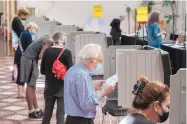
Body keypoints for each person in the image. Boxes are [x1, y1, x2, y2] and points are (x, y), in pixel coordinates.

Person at [64, 43, 115, 124]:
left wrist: (92, 87)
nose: (99, 64)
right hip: (81, 120)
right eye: (99, 60)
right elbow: (87, 104)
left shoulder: (73, 70)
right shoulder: (82, 75)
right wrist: (104, 92)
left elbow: (77, 93)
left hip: (73, 118)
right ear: (91, 60)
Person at [41, 32, 73, 124]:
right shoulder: (67, 52)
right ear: (64, 40)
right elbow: (71, 72)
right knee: (60, 115)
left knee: (47, 113)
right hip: (62, 88)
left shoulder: (47, 51)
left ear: (54, 40)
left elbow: (42, 71)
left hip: (49, 87)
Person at [20, 35, 54, 119]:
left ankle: (36, 108)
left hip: (31, 59)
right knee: (30, 85)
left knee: (33, 86)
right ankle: (31, 111)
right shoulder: (49, 41)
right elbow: (41, 56)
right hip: (29, 60)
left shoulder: (48, 39)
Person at [15, 22, 37, 98]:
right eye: (35, 29)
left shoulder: (24, 33)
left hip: (19, 55)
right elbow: (29, 48)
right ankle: (19, 93)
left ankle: (22, 91)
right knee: (22, 73)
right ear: (31, 28)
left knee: (21, 72)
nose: (35, 31)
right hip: (22, 56)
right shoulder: (27, 35)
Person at [12, 8, 30, 81]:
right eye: (25, 16)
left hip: (17, 41)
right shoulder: (16, 20)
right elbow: (20, 32)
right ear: (22, 14)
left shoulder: (17, 20)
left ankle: (15, 75)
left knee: (17, 58)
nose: (25, 18)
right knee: (17, 59)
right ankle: (15, 75)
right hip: (17, 41)